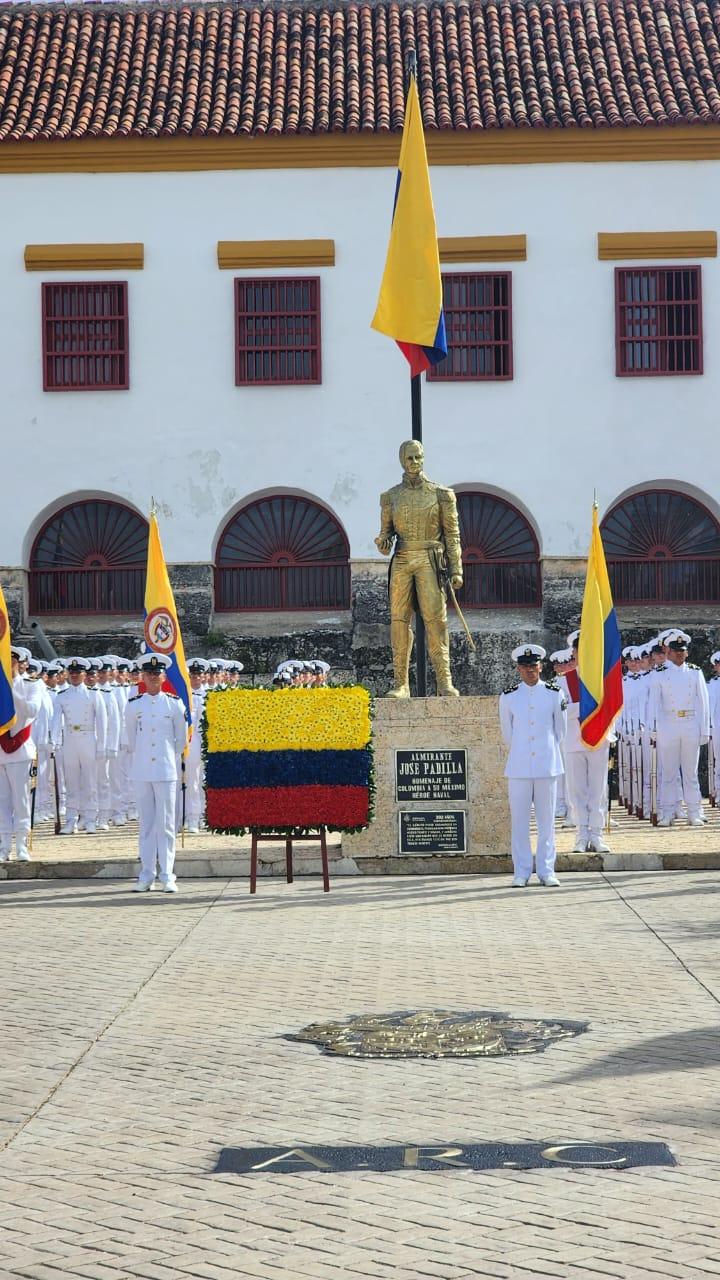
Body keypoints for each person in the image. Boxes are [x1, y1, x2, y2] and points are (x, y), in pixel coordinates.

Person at [375, 439, 463, 698]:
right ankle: (401, 684)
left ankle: (444, 682)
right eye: (410, 458)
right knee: (399, 621)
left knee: (436, 621)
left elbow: (452, 535)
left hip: (429, 557)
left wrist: (456, 569)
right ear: (402, 461)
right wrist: (382, 542)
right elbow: (386, 536)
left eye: (418, 457)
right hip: (402, 559)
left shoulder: (441, 494)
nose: (415, 463)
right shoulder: (390, 497)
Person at [499, 644, 567, 888]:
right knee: (519, 822)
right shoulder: (508, 697)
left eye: (534, 666)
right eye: (526, 667)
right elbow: (508, 735)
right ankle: (522, 871)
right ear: (518, 669)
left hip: (547, 766)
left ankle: (547, 870)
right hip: (518, 767)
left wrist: (543, 752)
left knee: (546, 821)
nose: (531, 670)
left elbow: (560, 731)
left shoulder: (553, 694)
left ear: (541, 666)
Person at [125, 652, 188, 892]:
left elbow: (181, 739)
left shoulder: (174, 704)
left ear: (163, 676)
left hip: (165, 770)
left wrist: (167, 761)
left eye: (156, 674)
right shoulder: (134, 705)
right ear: (142, 676)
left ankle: (168, 874)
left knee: (166, 825)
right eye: (148, 674)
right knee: (147, 825)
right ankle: (147, 874)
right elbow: (131, 740)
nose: (152, 678)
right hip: (142, 770)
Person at [557, 629, 614, 854]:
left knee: (598, 788)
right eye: (581, 649)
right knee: (577, 789)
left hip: (600, 737)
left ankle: (597, 834)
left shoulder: (604, 678)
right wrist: (586, 708)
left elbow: (613, 706)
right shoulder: (565, 680)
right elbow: (561, 711)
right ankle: (581, 834)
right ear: (575, 652)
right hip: (574, 739)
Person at [649, 629, 710, 827]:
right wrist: (653, 728)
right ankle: (667, 812)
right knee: (668, 772)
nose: (679, 654)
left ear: (687, 652)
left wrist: (704, 729)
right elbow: (654, 703)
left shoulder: (695, 671)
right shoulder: (659, 673)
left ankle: (694, 811)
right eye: (675, 651)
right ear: (668, 652)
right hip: (668, 724)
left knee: (691, 772)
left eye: (682, 651)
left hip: (690, 723)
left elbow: (703, 702)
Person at [52, 657, 108, 835]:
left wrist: (102, 746)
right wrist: (55, 741)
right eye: (72, 673)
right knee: (71, 782)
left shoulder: (93, 694)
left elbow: (102, 721)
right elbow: (55, 720)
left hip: (88, 738)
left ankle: (91, 819)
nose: (75, 676)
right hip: (70, 739)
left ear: (85, 674)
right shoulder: (62, 696)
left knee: (90, 781)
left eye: (78, 673)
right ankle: (71, 820)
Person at [0, 646, 43, 862]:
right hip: (0, 750)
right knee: (2, 801)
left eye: (13, 661)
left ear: (22, 663)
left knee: (21, 800)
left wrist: (12, 686)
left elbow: (31, 711)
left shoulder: (32, 685)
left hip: (21, 750)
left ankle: (22, 845)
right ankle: (4, 846)